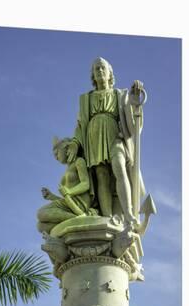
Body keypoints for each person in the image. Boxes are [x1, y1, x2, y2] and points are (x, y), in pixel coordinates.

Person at [65, 57, 145, 226]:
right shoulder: (86, 99)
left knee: (119, 167)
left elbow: (132, 122)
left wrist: (135, 100)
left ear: (110, 74)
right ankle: (108, 218)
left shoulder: (120, 94)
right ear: (93, 76)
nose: (100, 71)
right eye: (96, 69)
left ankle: (129, 213)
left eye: (102, 68)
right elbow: (80, 126)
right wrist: (75, 142)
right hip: (93, 138)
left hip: (115, 136)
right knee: (101, 176)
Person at [37, 139, 97, 234]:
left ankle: (79, 218)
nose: (56, 157)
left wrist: (69, 192)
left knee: (40, 213)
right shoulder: (67, 169)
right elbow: (66, 196)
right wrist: (51, 196)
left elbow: (85, 184)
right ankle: (75, 219)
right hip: (68, 203)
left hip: (80, 203)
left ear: (65, 149)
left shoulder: (79, 161)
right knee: (41, 226)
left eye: (57, 153)